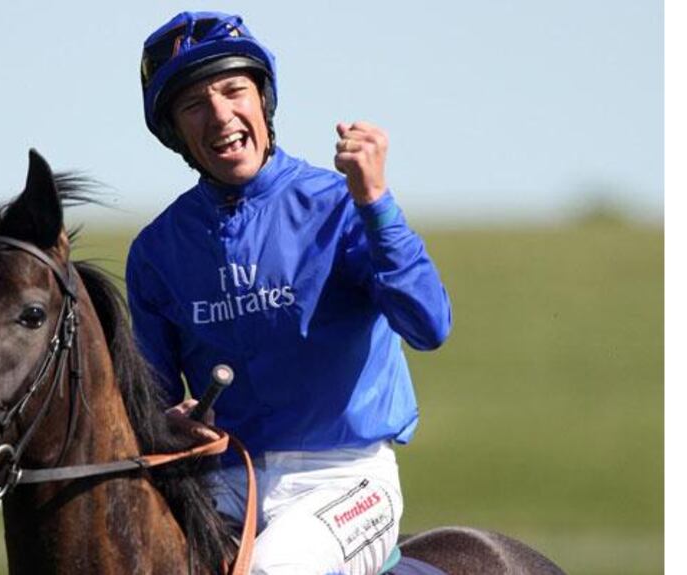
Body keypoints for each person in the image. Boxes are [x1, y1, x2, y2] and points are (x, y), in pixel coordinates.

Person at [126, 11, 452, 575]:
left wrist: (375, 202)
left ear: (263, 101)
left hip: (346, 479)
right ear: (176, 132)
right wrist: (164, 422)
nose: (220, 115)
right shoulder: (157, 251)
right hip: (223, 485)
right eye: (194, 105)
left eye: (233, 90)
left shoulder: (340, 205)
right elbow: (152, 399)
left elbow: (429, 326)